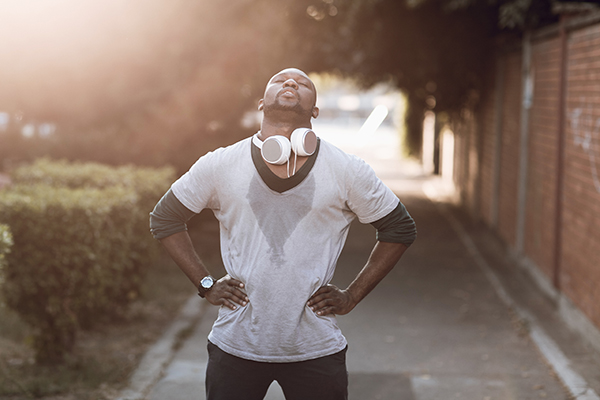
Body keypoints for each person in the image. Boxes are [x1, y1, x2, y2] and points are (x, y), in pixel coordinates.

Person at [149, 67, 416, 400]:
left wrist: (352, 295)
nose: (291, 82)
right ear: (262, 103)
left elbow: (400, 228)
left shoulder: (346, 169)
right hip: (236, 346)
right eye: (281, 80)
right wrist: (205, 284)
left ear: (314, 110)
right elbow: (164, 218)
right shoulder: (220, 164)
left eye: (303, 83)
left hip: (316, 349)